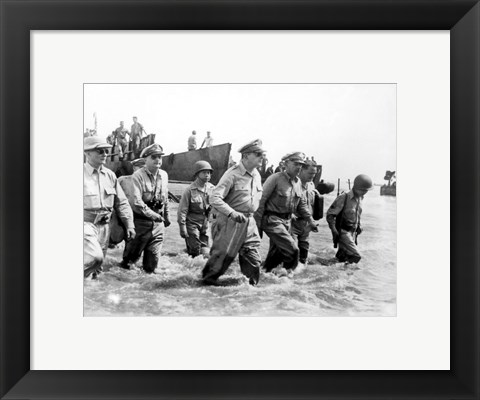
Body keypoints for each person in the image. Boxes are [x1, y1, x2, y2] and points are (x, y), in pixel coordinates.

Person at [202, 139, 266, 286]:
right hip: (230, 222)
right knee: (219, 264)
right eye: (257, 154)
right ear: (245, 156)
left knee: (254, 260)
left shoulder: (256, 175)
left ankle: (249, 293)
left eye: (261, 154)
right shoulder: (232, 174)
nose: (261, 157)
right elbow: (214, 197)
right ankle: (203, 291)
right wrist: (232, 213)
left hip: (249, 223)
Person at [255, 152, 317, 275]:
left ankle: (264, 278)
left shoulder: (298, 182)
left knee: (276, 256)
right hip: (272, 220)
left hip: (287, 222)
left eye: (301, 164)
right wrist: (257, 225)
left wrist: (310, 221)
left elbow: (302, 204)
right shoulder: (275, 178)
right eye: (295, 164)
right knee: (293, 250)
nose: (299, 167)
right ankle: (288, 279)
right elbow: (261, 201)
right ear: (286, 164)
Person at [83, 136, 135, 279]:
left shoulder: (110, 175)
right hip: (85, 224)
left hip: (105, 227)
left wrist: (129, 225)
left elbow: (122, 202)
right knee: (95, 258)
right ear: (87, 153)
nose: (105, 154)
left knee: (96, 270)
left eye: (106, 151)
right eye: (100, 151)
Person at [120, 144, 171, 273]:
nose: (158, 160)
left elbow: (165, 198)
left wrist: (167, 216)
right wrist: (154, 215)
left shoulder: (164, 175)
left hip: (158, 225)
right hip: (140, 223)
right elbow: (137, 202)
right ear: (145, 160)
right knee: (129, 264)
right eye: (153, 157)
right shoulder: (138, 176)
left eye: (160, 157)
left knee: (151, 267)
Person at [326, 174, 373, 265]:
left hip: (352, 233)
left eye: (366, 190)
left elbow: (357, 214)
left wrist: (359, 226)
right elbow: (330, 214)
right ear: (356, 187)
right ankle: (344, 272)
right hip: (343, 232)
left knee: (343, 257)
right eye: (363, 190)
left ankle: (336, 274)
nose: (364, 192)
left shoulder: (360, 198)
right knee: (356, 256)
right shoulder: (344, 197)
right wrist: (334, 230)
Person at [177, 161, 215, 257]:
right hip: (192, 224)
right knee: (195, 250)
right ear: (197, 174)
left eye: (209, 173)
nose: (207, 175)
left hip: (205, 224)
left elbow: (218, 206)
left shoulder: (212, 188)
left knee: (206, 252)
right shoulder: (189, 190)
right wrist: (182, 227)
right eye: (204, 172)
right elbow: (182, 210)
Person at [109, 158, 146, 246]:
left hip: (139, 218)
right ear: (134, 168)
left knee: (133, 244)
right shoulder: (123, 180)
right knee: (114, 239)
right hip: (122, 216)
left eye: (144, 168)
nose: (142, 170)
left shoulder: (147, 183)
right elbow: (113, 197)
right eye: (139, 167)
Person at [290, 160, 319, 265]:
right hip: (293, 223)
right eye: (310, 173)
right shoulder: (293, 184)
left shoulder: (311, 185)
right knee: (292, 252)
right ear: (302, 170)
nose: (312, 176)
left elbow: (312, 204)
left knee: (304, 254)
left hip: (306, 225)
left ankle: (300, 276)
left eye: (314, 174)